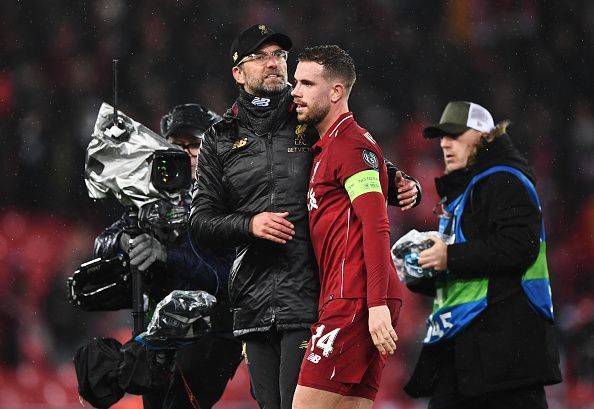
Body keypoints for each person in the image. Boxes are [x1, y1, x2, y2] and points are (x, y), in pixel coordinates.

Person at [190, 24, 419, 409]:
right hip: (253, 303)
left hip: (311, 296)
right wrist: (249, 224)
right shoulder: (219, 137)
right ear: (238, 73)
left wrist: (399, 180)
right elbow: (201, 222)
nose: (273, 63)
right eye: (260, 56)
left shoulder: (307, 112)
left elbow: (354, 155)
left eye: (279, 55)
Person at [404, 101, 562, 408]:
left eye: (454, 135)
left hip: (506, 351)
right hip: (470, 350)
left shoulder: (504, 179)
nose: (444, 143)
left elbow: (520, 245)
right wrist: (423, 270)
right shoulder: (467, 190)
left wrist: (449, 256)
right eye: (442, 137)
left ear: (481, 135)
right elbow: (473, 268)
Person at [94, 103, 242, 409]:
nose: (186, 152)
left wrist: (166, 253)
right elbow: (102, 242)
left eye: (195, 144)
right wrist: (125, 241)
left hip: (211, 331)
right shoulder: (151, 197)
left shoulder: (229, 196)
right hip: (159, 330)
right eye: (177, 145)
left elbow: (227, 278)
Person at [288, 45, 403, 409]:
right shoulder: (329, 147)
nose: (295, 92)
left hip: (355, 298)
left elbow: (376, 223)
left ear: (336, 92)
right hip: (356, 297)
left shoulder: (351, 146)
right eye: (295, 82)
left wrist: (377, 303)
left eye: (307, 83)